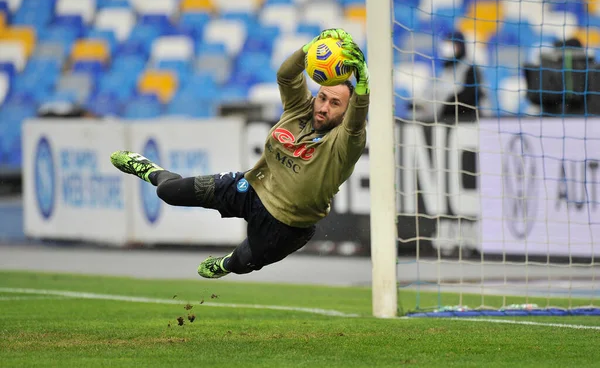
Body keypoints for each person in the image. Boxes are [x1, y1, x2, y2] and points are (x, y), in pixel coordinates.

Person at [110, 28, 370, 279]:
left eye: (335, 103)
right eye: (323, 97)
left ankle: (226, 263)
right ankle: (151, 171)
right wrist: (311, 48)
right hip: (250, 188)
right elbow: (286, 76)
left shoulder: (345, 143)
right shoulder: (301, 108)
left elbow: (357, 119)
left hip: (288, 225)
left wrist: (363, 79)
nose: (324, 107)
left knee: (242, 263)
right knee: (169, 192)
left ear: (346, 113)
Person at [410, 31, 486, 123]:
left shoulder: (470, 69)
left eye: (451, 44)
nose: (447, 48)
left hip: (465, 120)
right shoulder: (444, 70)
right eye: (446, 44)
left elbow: (471, 97)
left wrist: (445, 108)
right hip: (444, 119)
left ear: (460, 46)